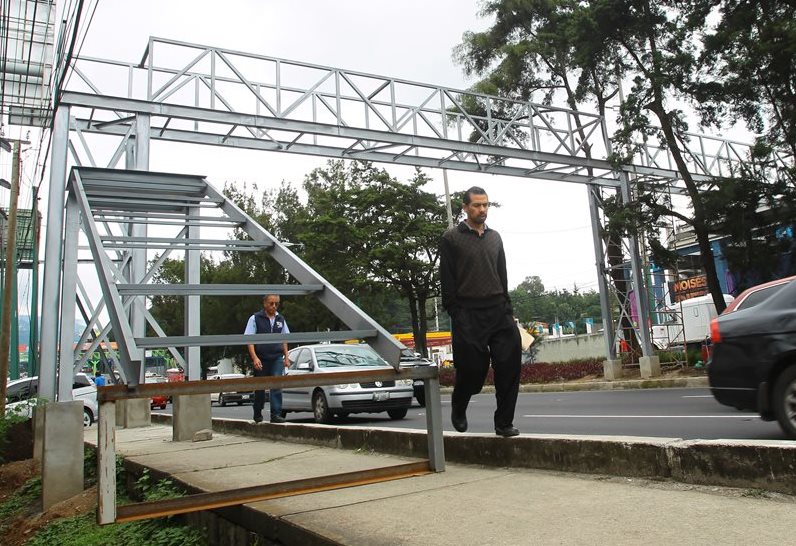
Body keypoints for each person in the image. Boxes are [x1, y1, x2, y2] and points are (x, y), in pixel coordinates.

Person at [439, 186, 522, 437]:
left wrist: (507, 308)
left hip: (498, 311)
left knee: (509, 366)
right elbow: (447, 281)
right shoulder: (451, 238)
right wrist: (457, 313)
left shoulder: (495, 237)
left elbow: (502, 274)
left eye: (485, 205)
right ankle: (460, 401)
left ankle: (504, 423)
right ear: (465, 207)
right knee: (473, 370)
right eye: (476, 205)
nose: (482, 209)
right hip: (468, 313)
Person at [244, 294, 291, 423]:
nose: (274, 306)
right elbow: (249, 340)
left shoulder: (280, 319)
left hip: (276, 357)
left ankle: (276, 414)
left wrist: (286, 357)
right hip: (261, 358)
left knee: (276, 385)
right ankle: (257, 412)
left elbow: (285, 339)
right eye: (271, 303)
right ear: (265, 303)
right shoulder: (255, 318)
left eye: (276, 303)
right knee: (260, 388)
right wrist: (255, 358)